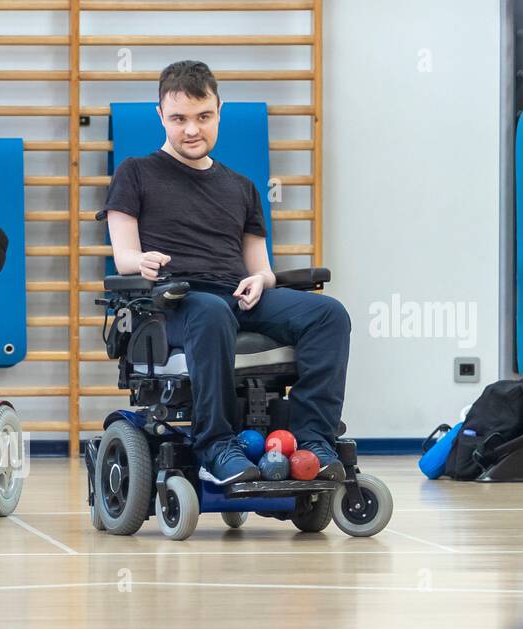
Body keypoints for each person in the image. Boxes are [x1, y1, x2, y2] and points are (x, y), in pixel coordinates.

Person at [100, 60, 352, 485]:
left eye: (203, 117)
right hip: (173, 302)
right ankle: (215, 444)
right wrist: (140, 262)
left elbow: (261, 268)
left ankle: (314, 438)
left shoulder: (241, 187)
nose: (192, 130)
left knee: (329, 314)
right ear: (160, 115)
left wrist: (262, 280)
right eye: (179, 119)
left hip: (236, 296)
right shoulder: (135, 172)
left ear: (219, 111)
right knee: (210, 311)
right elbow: (124, 256)